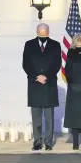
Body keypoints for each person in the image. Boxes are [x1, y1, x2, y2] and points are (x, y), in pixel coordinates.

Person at [22, 23, 61, 151]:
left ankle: (48, 142)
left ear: (48, 32)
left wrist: (47, 76)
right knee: (36, 116)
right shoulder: (29, 45)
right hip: (35, 85)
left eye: (45, 33)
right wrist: (35, 76)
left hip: (49, 85)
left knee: (49, 117)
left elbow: (57, 64)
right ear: (37, 31)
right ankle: (37, 141)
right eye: (40, 33)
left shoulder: (55, 45)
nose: (43, 35)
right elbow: (26, 64)